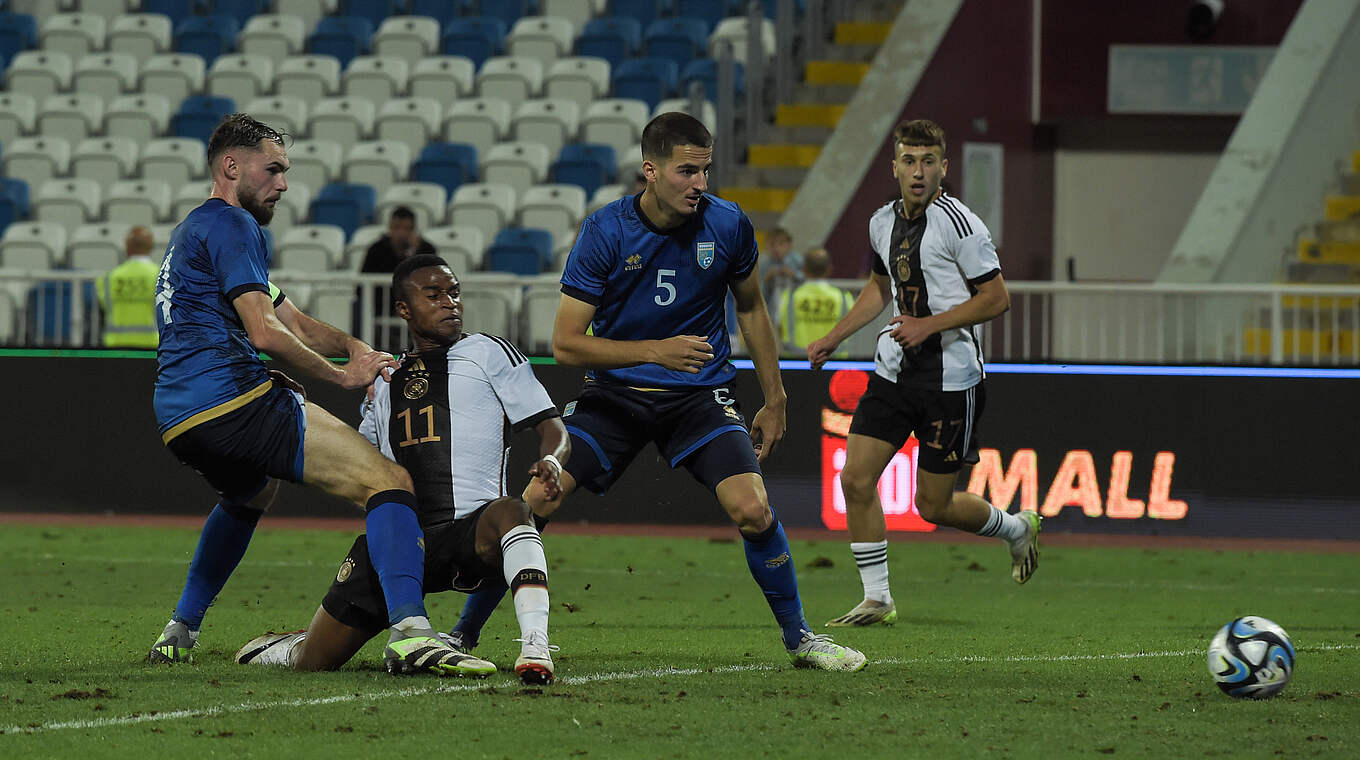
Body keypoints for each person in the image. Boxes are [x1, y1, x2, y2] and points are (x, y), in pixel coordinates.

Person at [446, 112, 866, 672]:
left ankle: (801, 639)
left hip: (699, 398)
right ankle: (463, 634)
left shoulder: (729, 225)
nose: (700, 184)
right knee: (535, 500)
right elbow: (566, 344)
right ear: (650, 170)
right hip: (613, 398)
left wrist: (776, 398)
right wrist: (654, 351)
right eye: (687, 171)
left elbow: (751, 308)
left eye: (705, 171)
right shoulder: (605, 231)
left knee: (753, 508)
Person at [148, 114, 474, 676]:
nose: (283, 184)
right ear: (232, 166)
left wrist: (353, 347)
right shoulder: (235, 225)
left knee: (250, 493)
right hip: (231, 400)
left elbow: (290, 318)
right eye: (273, 170)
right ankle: (410, 632)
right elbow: (264, 333)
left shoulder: (195, 231)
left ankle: (181, 627)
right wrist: (344, 376)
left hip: (179, 418)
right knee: (389, 482)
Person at [234, 254, 570, 684]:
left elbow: (553, 428)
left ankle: (535, 646)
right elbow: (359, 468)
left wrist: (552, 460)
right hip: (402, 548)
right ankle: (285, 647)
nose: (450, 302)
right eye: (434, 295)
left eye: (454, 293)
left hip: (473, 533)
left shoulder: (489, 351)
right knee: (314, 663)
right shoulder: (384, 379)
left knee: (513, 511)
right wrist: (295, 407)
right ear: (404, 309)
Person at [806, 119, 1041, 628]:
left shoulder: (962, 225)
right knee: (855, 478)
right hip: (893, 375)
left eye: (928, 162)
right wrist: (835, 335)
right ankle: (877, 599)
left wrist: (927, 325)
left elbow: (996, 299)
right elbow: (879, 287)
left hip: (950, 383)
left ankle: (1016, 528)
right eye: (909, 161)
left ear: (943, 167)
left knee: (933, 506)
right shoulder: (880, 222)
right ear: (894, 166)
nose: (918, 172)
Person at [775, 247, 851, 359]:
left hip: (796, 363)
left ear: (804, 269)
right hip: (835, 363)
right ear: (829, 269)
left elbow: (779, 328)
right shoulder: (844, 297)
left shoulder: (788, 296)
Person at [96, 225, 160, 348]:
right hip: (152, 344)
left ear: (127, 247)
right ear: (151, 247)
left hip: (115, 345)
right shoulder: (160, 275)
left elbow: (103, 308)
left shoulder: (109, 277)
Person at [360, 206, 436, 274]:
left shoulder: (427, 251)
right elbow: (363, 280)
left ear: (413, 230)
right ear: (390, 227)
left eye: (406, 229)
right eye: (396, 227)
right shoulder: (376, 250)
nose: (401, 234)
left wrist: (414, 252)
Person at [760, 227, 803, 317]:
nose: (776, 248)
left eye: (781, 244)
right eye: (772, 245)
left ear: (789, 245)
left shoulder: (797, 260)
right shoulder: (765, 264)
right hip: (773, 308)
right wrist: (767, 279)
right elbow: (760, 294)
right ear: (766, 246)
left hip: (795, 306)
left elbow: (807, 281)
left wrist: (794, 274)